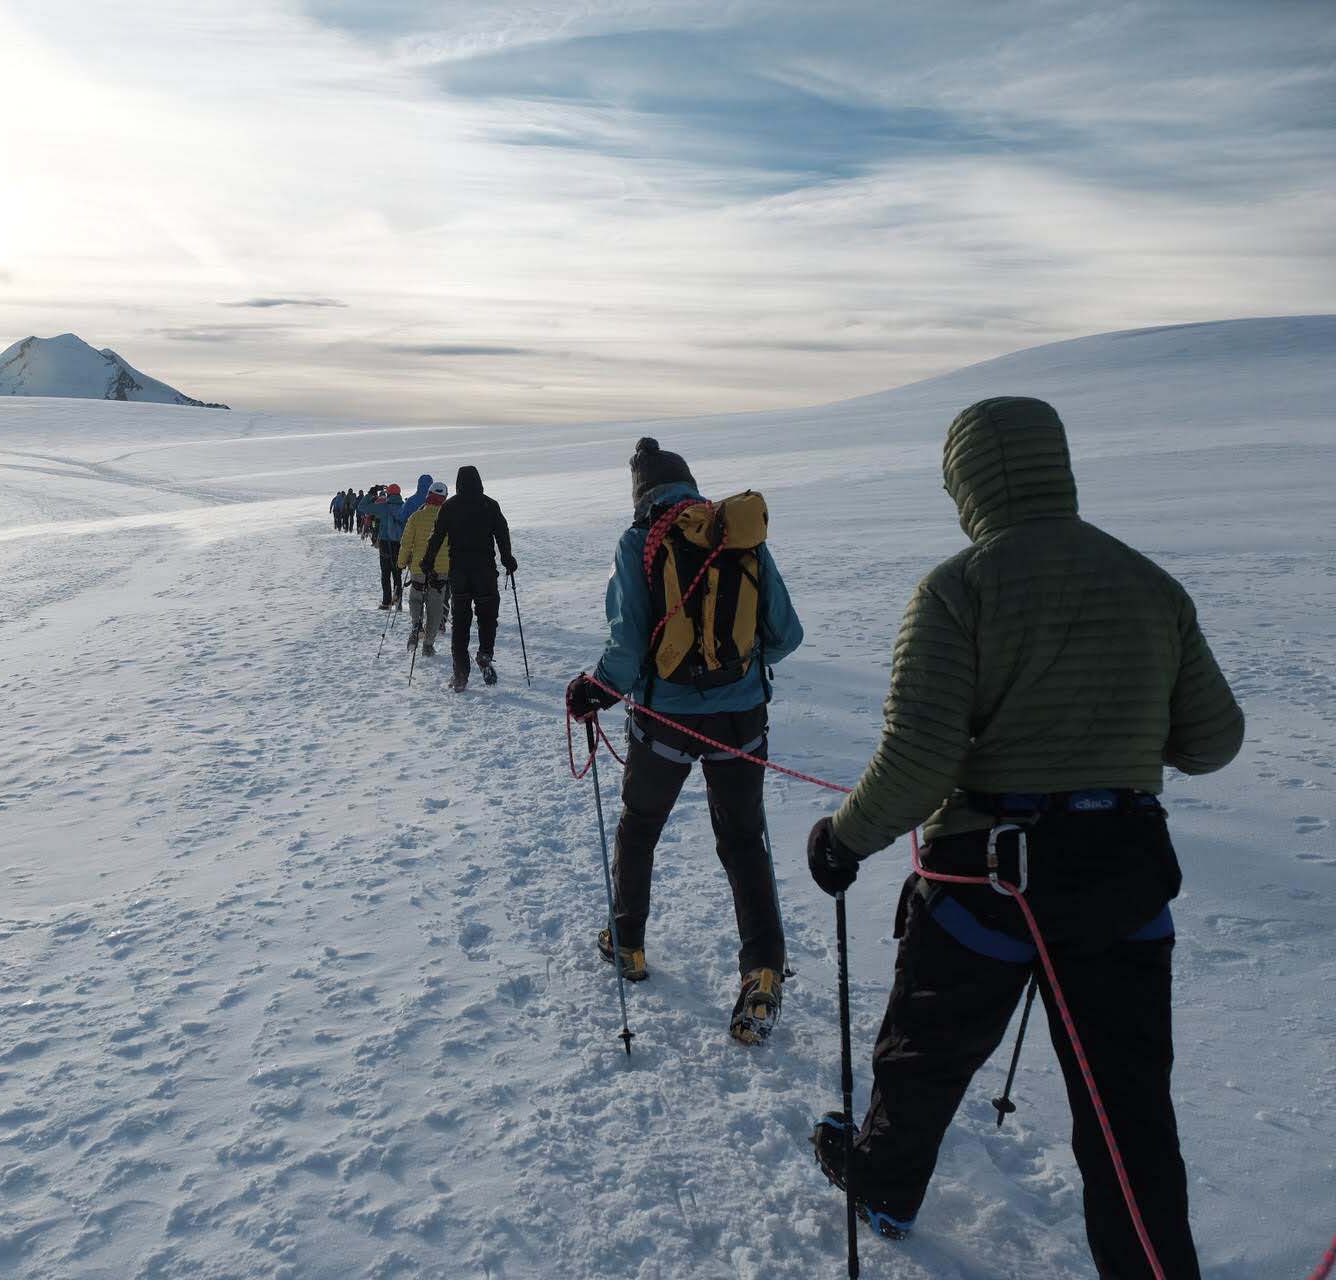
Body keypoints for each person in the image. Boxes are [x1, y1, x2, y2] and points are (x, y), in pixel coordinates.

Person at [802, 398, 1242, 1273]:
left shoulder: (959, 587)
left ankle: (885, 1184)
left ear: (965, 479)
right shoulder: (1150, 583)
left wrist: (844, 838)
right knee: (1128, 1119)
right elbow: (1213, 741)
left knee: (922, 1055)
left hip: (988, 887)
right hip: (1123, 878)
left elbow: (921, 759)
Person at [563, 438, 804, 1045]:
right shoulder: (737, 532)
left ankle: (629, 944)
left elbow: (627, 640)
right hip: (742, 719)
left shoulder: (639, 540)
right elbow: (785, 632)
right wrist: (741, 671)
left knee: (639, 826)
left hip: (665, 721)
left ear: (641, 493)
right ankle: (764, 971)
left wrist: (599, 689)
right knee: (744, 839)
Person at [422, 465, 515, 691]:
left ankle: (460, 674)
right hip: (485, 572)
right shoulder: (490, 505)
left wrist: (427, 561)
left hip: (459, 574)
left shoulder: (450, 507)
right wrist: (507, 559)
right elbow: (502, 533)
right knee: (487, 617)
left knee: (461, 623)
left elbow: (437, 537)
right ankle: (485, 653)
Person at [398, 480, 451, 655]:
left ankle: (416, 625)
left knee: (416, 598)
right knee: (435, 607)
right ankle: (428, 645)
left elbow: (406, 543)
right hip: (441, 570)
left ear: (428, 495)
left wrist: (401, 562)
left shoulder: (416, 517)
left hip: (419, 568)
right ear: (444, 498)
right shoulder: (449, 517)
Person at [372, 483, 408, 609]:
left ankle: (386, 602)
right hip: (399, 543)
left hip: (385, 544)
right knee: (397, 574)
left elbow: (363, 507)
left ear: (389, 493)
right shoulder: (404, 506)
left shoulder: (383, 506)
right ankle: (398, 602)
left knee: (385, 574)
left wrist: (373, 491)